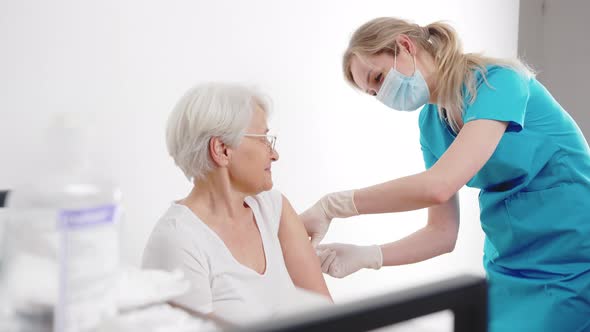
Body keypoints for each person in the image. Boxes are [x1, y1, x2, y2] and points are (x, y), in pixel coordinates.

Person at [301, 17, 590, 331]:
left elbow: (439, 185)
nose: (382, 95)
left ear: (405, 46)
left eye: (379, 77)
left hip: (572, 258)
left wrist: (333, 205)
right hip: (511, 264)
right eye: (373, 93)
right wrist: (369, 256)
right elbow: (441, 233)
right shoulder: (431, 124)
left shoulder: (499, 82)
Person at [142, 83, 331, 324]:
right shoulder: (177, 241)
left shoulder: (273, 208)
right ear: (222, 150)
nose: (274, 154)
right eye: (264, 139)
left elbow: (330, 318)